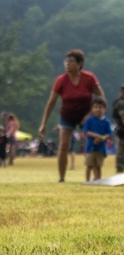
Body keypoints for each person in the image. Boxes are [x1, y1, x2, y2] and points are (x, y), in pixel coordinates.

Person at [38, 49, 106, 182]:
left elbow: (101, 98)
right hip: (67, 115)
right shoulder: (61, 80)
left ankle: (94, 177)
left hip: (86, 115)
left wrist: (92, 114)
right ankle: (62, 177)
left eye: (71, 61)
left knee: (93, 144)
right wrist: (43, 123)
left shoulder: (89, 78)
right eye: (66, 61)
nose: (67, 64)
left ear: (80, 64)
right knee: (63, 145)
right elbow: (51, 103)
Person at [82, 97, 114, 181]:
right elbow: (86, 132)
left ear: (104, 108)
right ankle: (87, 181)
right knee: (89, 165)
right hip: (91, 148)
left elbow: (109, 134)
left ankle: (98, 180)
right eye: (95, 107)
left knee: (98, 166)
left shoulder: (106, 122)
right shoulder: (89, 120)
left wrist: (102, 138)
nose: (98, 110)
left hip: (101, 149)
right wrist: (96, 136)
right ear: (92, 109)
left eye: (100, 107)